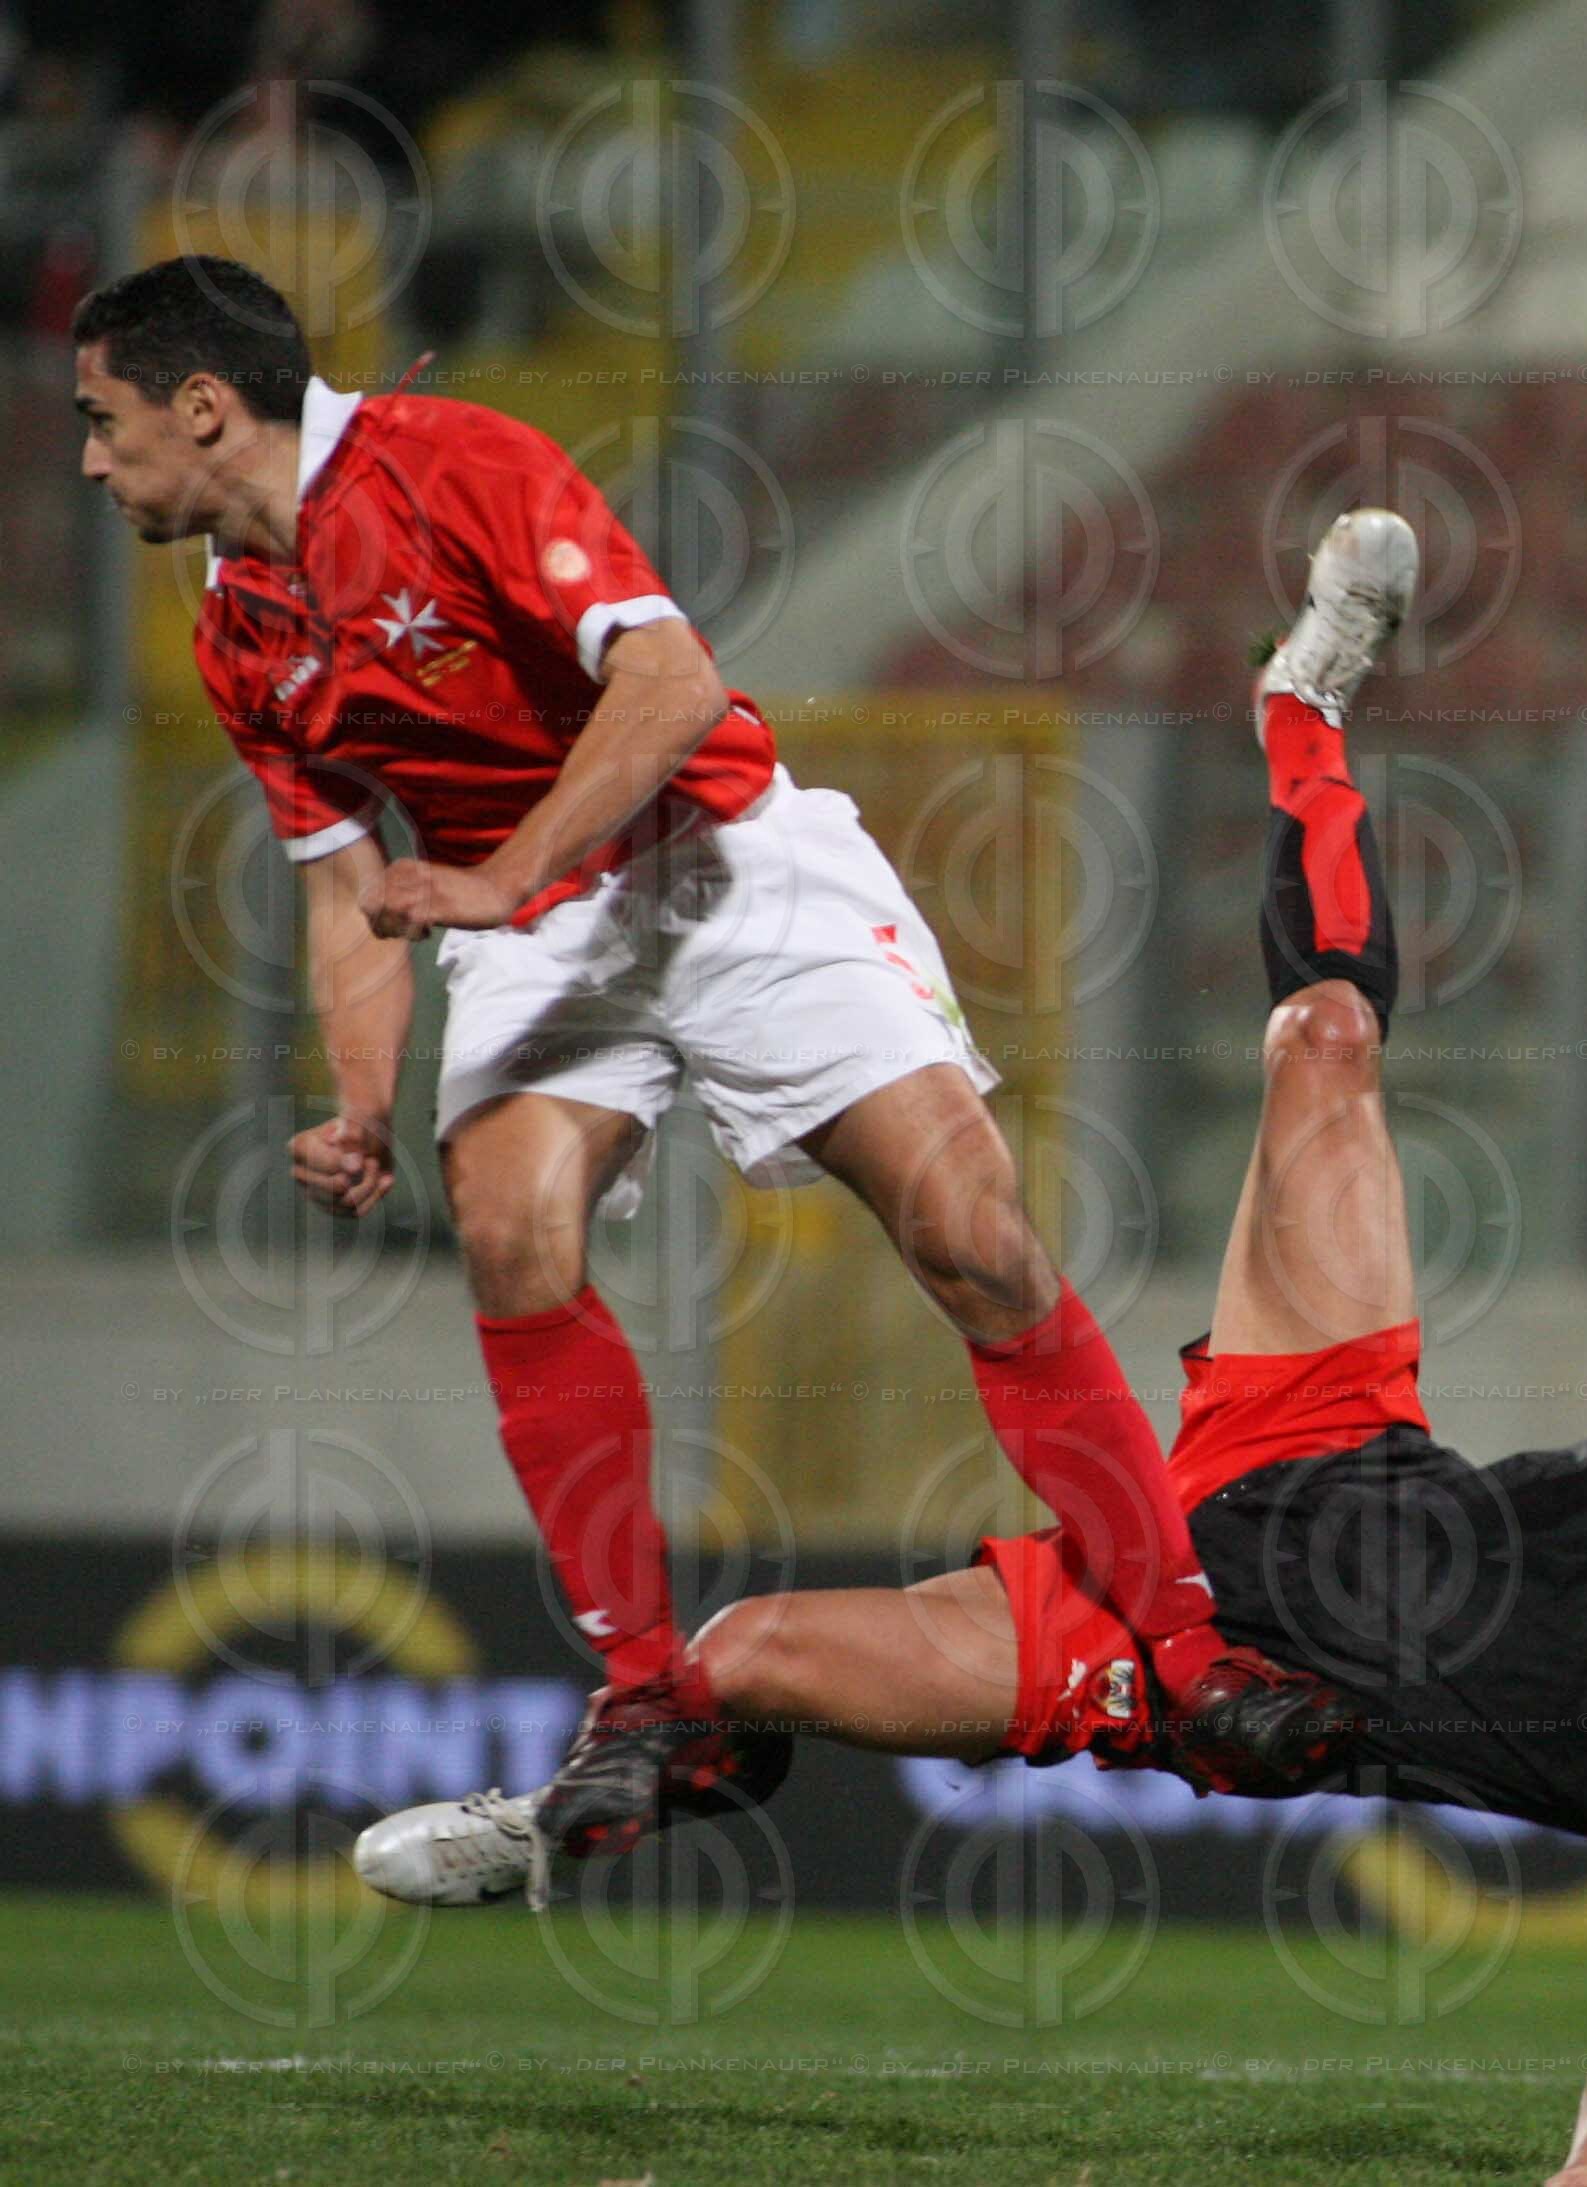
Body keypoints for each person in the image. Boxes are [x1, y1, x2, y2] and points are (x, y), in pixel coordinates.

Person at [356, 509, 1587, 2182]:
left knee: (752, 1651)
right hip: (1325, 1436)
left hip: (1226, 1671)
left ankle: (610, 1790)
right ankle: (1305, 708)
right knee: (1327, 1038)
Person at [72, 253, 1351, 1857]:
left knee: (974, 1236)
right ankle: (647, 1695)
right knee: (508, 1226)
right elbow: (346, 891)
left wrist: (505, 870)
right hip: (534, 920)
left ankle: (1190, 1651)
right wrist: (362, 1102)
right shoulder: (237, 632)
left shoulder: (453, 464)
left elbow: (669, 687)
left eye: (103, 419)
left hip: (722, 856)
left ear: (203, 406)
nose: (90, 461)